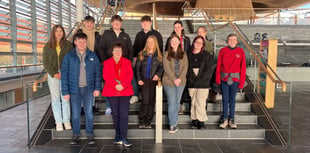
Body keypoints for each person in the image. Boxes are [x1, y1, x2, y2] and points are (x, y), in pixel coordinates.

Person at [61, 32, 102, 145]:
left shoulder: (93, 56)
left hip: (89, 89)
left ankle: (90, 134)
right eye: (79, 42)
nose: (82, 44)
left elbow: (97, 73)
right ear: (75, 42)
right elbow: (64, 75)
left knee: (89, 112)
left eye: (84, 42)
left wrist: (97, 88)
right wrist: (65, 91)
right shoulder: (69, 56)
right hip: (74, 90)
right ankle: (76, 134)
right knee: (75, 113)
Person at [98, 15, 133, 115]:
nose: (117, 24)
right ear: (112, 23)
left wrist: (129, 62)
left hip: (123, 65)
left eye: (119, 22)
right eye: (115, 22)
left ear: (121, 24)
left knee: (122, 85)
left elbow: (130, 50)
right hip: (110, 65)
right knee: (110, 85)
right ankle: (109, 107)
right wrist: (105, 61)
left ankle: (121, 106)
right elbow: (100, 48)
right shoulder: (106, 34)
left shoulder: (125, 35)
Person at [102, 42, 133, 147]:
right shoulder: (107, 62)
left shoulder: (127, 62)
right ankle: (118, 136)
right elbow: (106, 76)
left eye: (119, 50)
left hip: (125, 90)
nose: (117, 52)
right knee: (115, 115)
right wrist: (115, 85)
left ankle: (124, 137)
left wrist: (122, 85)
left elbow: (130, 75)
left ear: (122, 52)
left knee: (123, 115)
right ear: (112, 52)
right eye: (115, 50)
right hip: (112, 90)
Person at [43, 25, 73, 131]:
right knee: (55, 99)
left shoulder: (68, 45)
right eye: (57, 31)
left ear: (63, 33)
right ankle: (58, 122)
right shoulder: (47, 46)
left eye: (61, 31)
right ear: (53, 33)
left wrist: (65, 72)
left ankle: (66, 121)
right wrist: (54, 73)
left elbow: (72, 60)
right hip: (53, 75)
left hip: (66, 74)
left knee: (65, 97)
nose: (59, 33)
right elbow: (46, 62)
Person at [216, 33, 246, 129]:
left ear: (237, 41)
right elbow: (219, 66)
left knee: (232, 99)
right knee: (225, 99)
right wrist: (218, 79)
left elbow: (243, 68)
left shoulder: (240, 51)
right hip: (224, 78)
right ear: (227, 41)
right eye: (230, 39)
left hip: (235, 79)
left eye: (234, 39)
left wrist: (241, 83)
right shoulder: (223, 51)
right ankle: (224, 118)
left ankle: (232, 119)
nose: (232, 41)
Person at [132, 15, 163, 104]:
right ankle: (136, 94)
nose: (145, 24)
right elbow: (135, 49)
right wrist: (134, 61)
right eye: (143, 22)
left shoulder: (156, 34)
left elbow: (160, 50)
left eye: (147, 22)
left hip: (153, 64)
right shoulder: (139, 34)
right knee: (135, 74)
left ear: (150, 23)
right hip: (141, 61)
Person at [135, 35, 163, 129]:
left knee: (151, 101)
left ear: (155, 43)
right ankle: (141, 120)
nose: (150, 44)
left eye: (152, 42)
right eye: (148, 42)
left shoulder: (159, 55)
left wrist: (158, 75)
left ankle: (148, 121)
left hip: (153, 81)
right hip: (144, 81)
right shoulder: (142, 54)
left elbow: (161, 68)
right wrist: (138, 79)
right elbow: (137, 68)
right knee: (145, 101)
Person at [162, 34, 188, 134]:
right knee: (172, 102)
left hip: (181, 82)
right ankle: (172, 124)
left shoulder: (184, 54)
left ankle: (175, 123)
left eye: (176, 40)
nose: (174, 42)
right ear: (170, 43)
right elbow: (166, 68)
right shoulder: (166, 54)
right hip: (169, 82)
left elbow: (185, 68)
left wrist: (180, 79)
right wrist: (174, 79)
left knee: (177, 103)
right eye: (172, 40)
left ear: (179, 42)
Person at [75, 15, 101, 114]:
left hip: (93, 60)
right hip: (81, 60)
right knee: (81, 83)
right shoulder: (79, 33)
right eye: (88, 22)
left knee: (92, 83)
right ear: (84, 23)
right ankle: (82, 106)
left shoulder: (97, 34)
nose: (89, 24)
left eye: (91, 22)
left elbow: (100, 47)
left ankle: (92, 105)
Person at [186, 36, 213, 129]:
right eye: (196, 42)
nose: (198, 44)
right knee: (193, 102)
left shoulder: (206, 55)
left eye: (200, 43)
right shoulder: (188, 55)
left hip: (203, 83)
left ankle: (201, 120)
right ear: (193, 43)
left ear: (203, 45)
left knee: (200, 102)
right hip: (191, 82)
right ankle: (194, 120)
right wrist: (191, 80)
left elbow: (209, 70)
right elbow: (187, 69)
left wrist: (200, 80)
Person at [165, 21, 191, 114]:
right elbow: (166, 51)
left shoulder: (187, 39)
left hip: (183, 64)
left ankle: (180, 104)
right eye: (175, 27)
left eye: (178, 27)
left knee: (182, 84)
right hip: (172, 65)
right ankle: (175, 106)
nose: (177, 29)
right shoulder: (169, 39)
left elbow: (189, 51)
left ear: (182, 28)